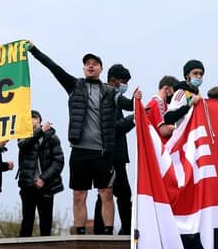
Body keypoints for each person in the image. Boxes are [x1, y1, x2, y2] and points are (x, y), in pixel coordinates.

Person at [27, 42, 128, 235]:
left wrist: (138, 102)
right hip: (80, 151)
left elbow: (129, 105)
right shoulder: (74, 85)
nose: (90, 65)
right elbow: (53, 67)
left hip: (102, 152)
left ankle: (108, 233)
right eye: (87, 63)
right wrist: (34, 50)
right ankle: (80, 234)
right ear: (84, 68)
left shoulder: (110, 91)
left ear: (101, 68)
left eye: (94, 63)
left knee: (106, 193)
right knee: (78, 195)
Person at [94, 64, 141, 236]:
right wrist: (133, 119)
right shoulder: (106, 98)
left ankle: (120, 230)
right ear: (113, 80)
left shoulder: (113, 98)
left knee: (114, 194)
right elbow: (111, 128)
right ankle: (118, 231)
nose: (125, 85)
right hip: (109, 156)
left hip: (117, 156)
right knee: (111, 194)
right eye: (123, 82)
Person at [17, 110, 64, 237]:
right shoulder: (23, 136)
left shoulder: (52, 138)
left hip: (47, 186)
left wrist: (43, 179)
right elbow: (23, 145)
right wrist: (40, 132)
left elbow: (58, 162)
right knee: (27, 222)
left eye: (32, 118)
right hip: (28, 185)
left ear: (38, 120)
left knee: (46, 222)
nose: (29, 120)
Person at [164, 60, 205, 126]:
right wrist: (189, 105)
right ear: (187, 76)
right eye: (195, 73)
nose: (199, 76)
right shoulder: (181, 93)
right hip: (184, 134)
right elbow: (168, 118)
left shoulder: (199, 95)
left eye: (201, 74)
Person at [145, 75, 179, 143]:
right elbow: (164, 130)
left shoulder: (151, 104)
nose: (174, 95)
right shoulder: (159, 103)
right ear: (167, 89)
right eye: (174, 92)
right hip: (161, 147)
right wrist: (180, 127)